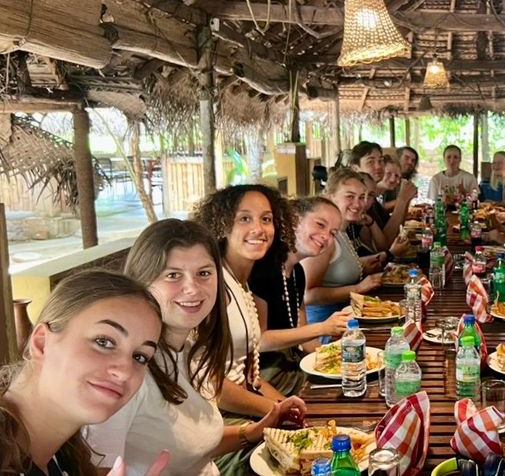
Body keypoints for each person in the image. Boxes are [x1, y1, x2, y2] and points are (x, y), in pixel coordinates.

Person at [86, 219, 306, 475]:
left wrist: (253, 431)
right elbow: (97, 468)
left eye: (204, 273)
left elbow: (193, 448)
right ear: (142, 282)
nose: (192, 288)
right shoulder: (122, 375)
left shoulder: (191, 348)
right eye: (173, 275)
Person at [0, 269, 169, 475]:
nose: (125, 371)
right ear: (42, 343)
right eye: (103, 342)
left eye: (140, 357)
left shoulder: (64, 455)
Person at [190, 184, 298, 417]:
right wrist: (276, 411)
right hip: (216, 420)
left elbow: (249, 377)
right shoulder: (212, 284)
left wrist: (288, 407)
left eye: (266, 219)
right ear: (221, 225)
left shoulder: (241, 283)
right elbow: (212, 383)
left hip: (243, 409)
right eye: (244, 219)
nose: (258, 229)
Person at [249, 197, 354, 392]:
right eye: (320, 224)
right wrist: (323, 327)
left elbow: (305, 338)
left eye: (333, 233)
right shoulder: (262, 268)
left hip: (292, 368)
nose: (326, 236)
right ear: (294, 219)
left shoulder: (297, 272)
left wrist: (337, 358)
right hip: (264, 380)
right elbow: (260, 340)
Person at [303, 168, 383, 326]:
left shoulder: (341, 231)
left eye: (362, 197)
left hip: (348, 319)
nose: (358, 204)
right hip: (324, 327)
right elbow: (308, 295)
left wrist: (363, 267)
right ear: (329, 196)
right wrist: (359, 288)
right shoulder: (324, 237)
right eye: (350, 196)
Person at [349, 141, 417, 246]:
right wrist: (402, 200)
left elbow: (396, 230)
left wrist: (406, 199)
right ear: (355, 168)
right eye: (371, 162)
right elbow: (385, 244)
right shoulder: (358, 202)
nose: (378, 166)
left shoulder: (373, 200)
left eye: (380, 161)